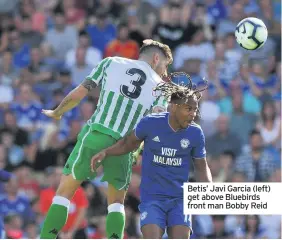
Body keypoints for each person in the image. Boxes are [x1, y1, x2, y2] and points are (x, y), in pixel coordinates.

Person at [39, 39, 173, 239]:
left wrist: (58, 112)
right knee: (117, 204)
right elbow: (156, 122)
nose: (165, 72)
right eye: (165, 65)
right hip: (124, 147)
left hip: (96, 135)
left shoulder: (110, 62)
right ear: (155, 59)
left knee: (64, 193)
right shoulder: (163, 88)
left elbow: (79, 93)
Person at [91, 77, 213, 239]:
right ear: (174, 107)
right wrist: (106, 152)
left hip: (179, 200)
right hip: (152, 199)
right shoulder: (150, 123)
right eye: (188, 109)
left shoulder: (195, 133)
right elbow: (128, 144)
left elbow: (201, 167)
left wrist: (209, 191)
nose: (193, 114)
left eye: (195, 110)